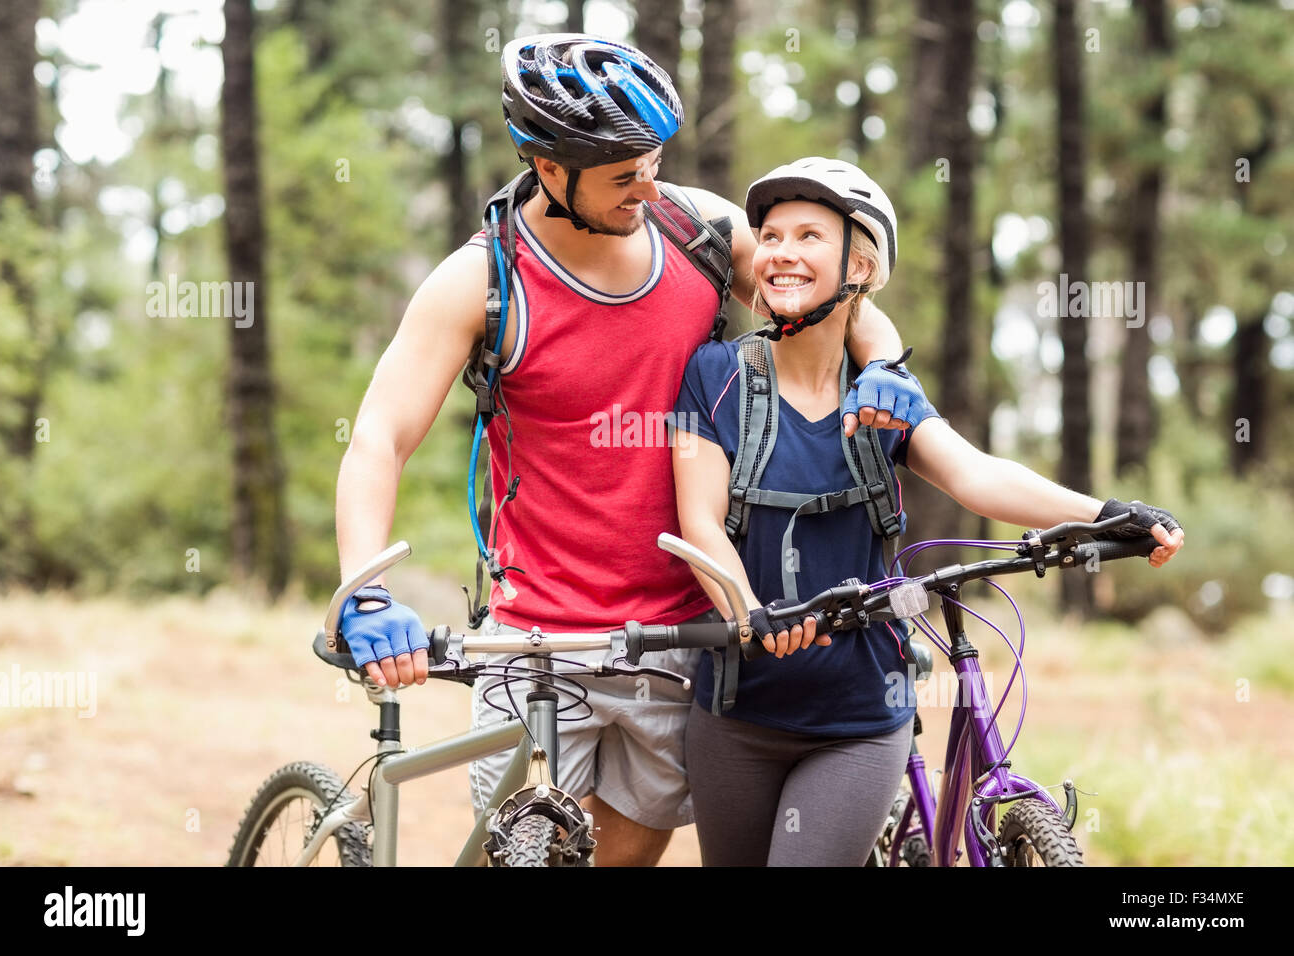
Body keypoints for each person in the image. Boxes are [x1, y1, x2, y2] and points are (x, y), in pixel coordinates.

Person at [332, 35, 923, 866]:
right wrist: (364, 593)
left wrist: (888, 363)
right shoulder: (483, 281)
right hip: (537, 641)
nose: (648, 186)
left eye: (652, 162)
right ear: (548, 169)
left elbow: (835, 292)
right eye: (623, 176)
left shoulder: (699, 229)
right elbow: (378, 438)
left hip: (679, 638)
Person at [671, 156, 1185, 867]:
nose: (781, 252)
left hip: (856, 721)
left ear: (860, 269)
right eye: (772, 236)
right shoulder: (715, 377)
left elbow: (976, 474)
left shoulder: (885, 396)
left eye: (809, 236)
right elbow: (700, 520)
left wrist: (1105, 513)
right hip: (734, 715)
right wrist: (750, 611)